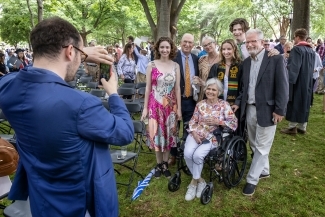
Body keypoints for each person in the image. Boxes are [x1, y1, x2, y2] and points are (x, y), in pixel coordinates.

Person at [0, 17, 134, 217]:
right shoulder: (80, 104)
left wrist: (80, 51)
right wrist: (114, 94)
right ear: (70, 51)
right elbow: (124, 133)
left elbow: (18, 75)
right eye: (79, 53)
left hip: (40, 199)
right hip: (79, 204)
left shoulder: (8, 88)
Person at [232, 29, 289, 196]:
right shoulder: (246, 63)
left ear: (262, 42)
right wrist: (237, 103)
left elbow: (283, 87)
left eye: (253, 41)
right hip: (249, 109)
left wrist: (280, 110)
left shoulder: (275, 59)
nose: (250, 44)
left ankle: (251, 180)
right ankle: (264, 170)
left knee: (262, 147)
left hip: (268, 110)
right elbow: (244, 88)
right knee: (255, 144)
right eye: (247, 42)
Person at [184, 78, 237, 201]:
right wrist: (194, 133)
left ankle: (193, 183)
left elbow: (234, 123)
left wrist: (218, 121)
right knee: (187, 154)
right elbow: (193, 121)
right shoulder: (200, 104)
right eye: (208, 88)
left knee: (197, 156)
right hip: (196, 134)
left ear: (218, 92)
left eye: (214, 89)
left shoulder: (224, 105)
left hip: (212, 136)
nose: (210, 91)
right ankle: (200, 181)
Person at [140, 37, 182, 178]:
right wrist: (145, 108)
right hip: (154, 105)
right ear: (158, 49)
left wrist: (179, 109)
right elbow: (147, 88)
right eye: (162, 47)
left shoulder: (176, 66)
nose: (164, 50)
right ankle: (159, 164)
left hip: (170, 107)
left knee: (169, 134)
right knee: (156, 134)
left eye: (167, 47)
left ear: (171, 49)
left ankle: (165, 163)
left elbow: (177, 89)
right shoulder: (151, 65)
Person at [168, 33, 199, 166]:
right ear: (180, 42)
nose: (187, 45)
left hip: (191, 100)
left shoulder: (196, 59)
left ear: (193, 44)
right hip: (175, 100)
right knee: (173, 128)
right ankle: (173, 155)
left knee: (190, 128)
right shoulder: (172, 58)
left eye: (190, 42)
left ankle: (186, 152)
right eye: (185, 42)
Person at [280, 29, 316, 135]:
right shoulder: (311, 50)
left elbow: (294, 67)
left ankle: (292, 128)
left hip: (297, 81)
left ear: (297, 37)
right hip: (308, 80)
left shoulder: (297, 49)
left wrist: (288, 81)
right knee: (305, 102)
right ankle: (302, 127)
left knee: (295, 101)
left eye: (294, 37)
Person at [194, 36, 220, 102]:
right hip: (203, 95)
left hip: (217, 95)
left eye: (209, 44)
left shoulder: (222, 59)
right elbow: (199, 75)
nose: (208, 46)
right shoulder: (202, 60)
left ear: (215, 43)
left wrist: (205, 84)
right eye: (205, 45)